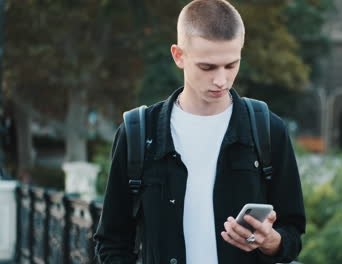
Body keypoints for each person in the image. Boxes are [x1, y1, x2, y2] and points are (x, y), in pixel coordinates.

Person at [94, 0, 305, 263]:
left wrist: (272, 242)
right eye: (207, 67)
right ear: (178, 55)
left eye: (231, 65)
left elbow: (293, 233)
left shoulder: (268, 128)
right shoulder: (137, 132)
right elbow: (112, 241)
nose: (221, 80)